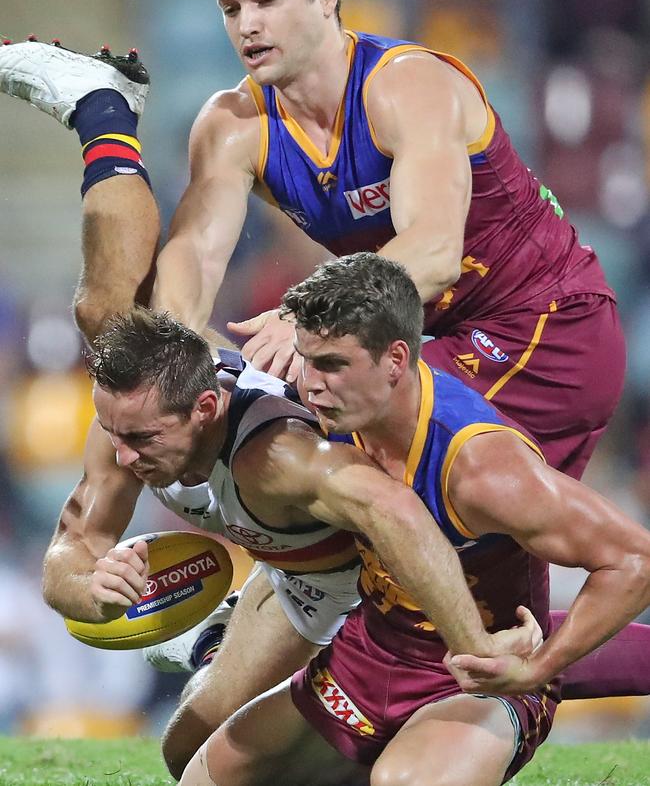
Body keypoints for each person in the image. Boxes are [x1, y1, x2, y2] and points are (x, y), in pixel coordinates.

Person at [0, 0, 624, 478]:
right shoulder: (232, 123)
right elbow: (192, 257)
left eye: (266, 0)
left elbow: (433, 254)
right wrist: (187, 359)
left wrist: (307, 315)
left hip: (544, 326)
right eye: (230, 6)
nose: (247, 24)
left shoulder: (408, 85)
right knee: (119, 324)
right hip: (422, 340)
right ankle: (102, 119)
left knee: (365, 487)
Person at [176, 252, 650, 786]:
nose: (311, 384)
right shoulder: (327, 411)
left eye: (332, 364)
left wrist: (537, 669)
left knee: (403, 782)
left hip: (473, 681)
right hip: (365, 656)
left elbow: (633, 560)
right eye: (306, 360)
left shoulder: (480, 468)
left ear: (395, 360)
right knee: (198, 772)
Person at [42, 306, 535, 780]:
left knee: (381, 755)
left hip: (379, 582)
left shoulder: (281, 453)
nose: (123, 457)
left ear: (205, 408)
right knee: (188, 749)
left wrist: (475, 647)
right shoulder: (131, 421)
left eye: (142, 439)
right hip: (300, 575)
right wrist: (93, 591)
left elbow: (397, 513)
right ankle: (216, 646)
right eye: (112, 433)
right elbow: (67, 553)